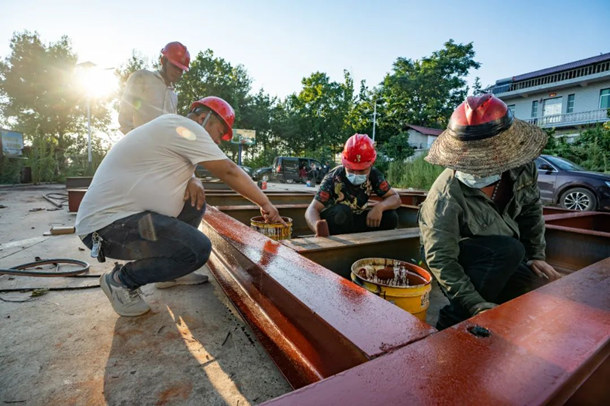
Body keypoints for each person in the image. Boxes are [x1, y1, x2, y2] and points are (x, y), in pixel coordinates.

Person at [76, 96, 285, 317]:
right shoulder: (184, 127)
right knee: (198, 249)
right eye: (220, 132)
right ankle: (121, 280)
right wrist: (265, 203)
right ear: (204, 118)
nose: (219, 140)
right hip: (106, 228)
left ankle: (170, 273)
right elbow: (229, 170)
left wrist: (192, 178)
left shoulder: (173, 128)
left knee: (194, 203)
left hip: (123, 221)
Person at [419, 94, 562, 330]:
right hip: (459, 255)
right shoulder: (445, 195)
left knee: (527, 277)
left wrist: (536, 255)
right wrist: (474, 304)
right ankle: (452, 321)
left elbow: (531, 212)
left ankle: (497, 326)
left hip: (502, 251)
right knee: (508, 251)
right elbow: (441, 258)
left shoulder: (522, 170)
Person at [305, 133, 401, 236]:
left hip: (355, 220)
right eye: (351, 169)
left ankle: (370, 243)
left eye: (362, 171)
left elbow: (395, 198)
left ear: (370, 164)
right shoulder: (334, 176)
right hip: (336, 221)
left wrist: (380, 207)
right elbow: (312, 209)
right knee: (342, 212)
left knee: (390, 217)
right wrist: (318, 227)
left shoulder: (374, 175)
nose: (356, 174)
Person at [118, 41, 190, 134]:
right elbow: (125, 112)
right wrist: (133, 138)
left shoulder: (173, 97)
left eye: (181, 69)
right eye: (174, 66)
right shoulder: (143, 77)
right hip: (137, 143)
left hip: (161, 147)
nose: (177, 72)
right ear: (163, 61)